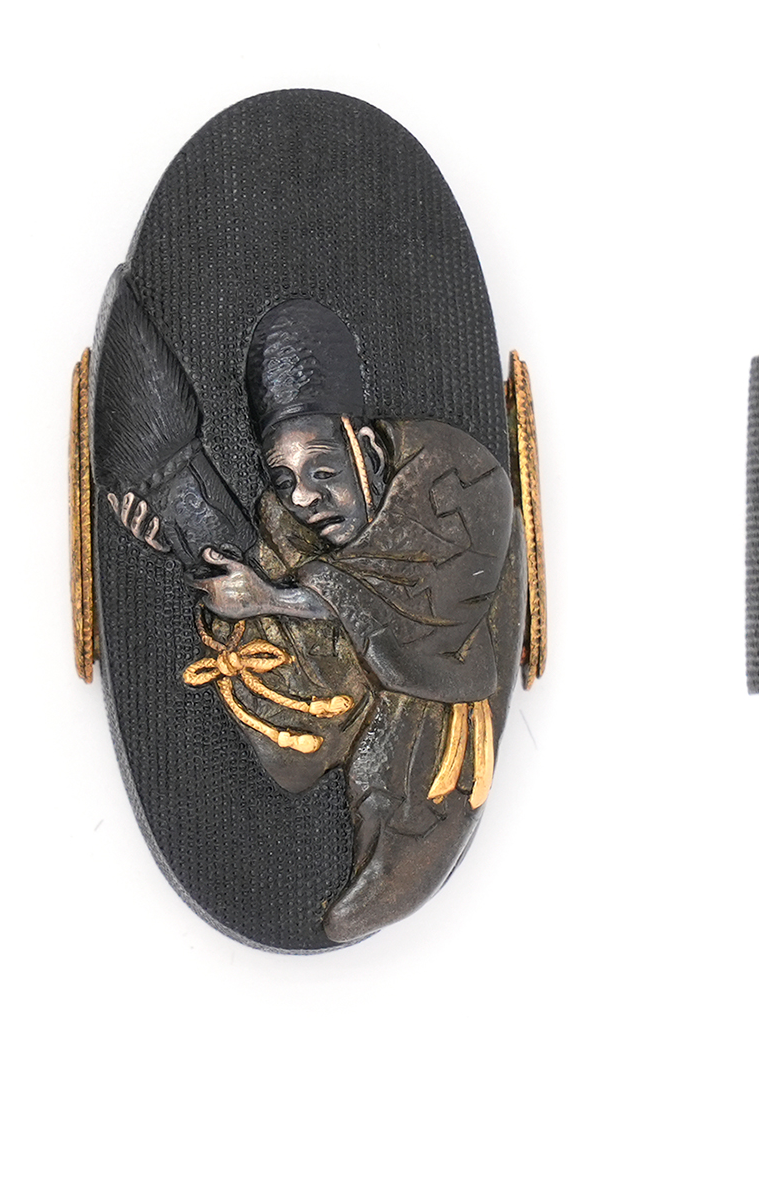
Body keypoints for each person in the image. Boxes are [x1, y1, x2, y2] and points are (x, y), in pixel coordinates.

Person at [156, 299, 522, 941]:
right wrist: (180, 541)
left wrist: (271, 598)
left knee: (405, 736)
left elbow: (423, 603)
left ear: (369, 450)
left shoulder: (458, 473)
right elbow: (290, 616)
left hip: (444, 697)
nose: (303, 497)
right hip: (321, 719)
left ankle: (400, 843)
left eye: (323, 471)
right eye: (284, 479)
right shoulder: (284, 522)